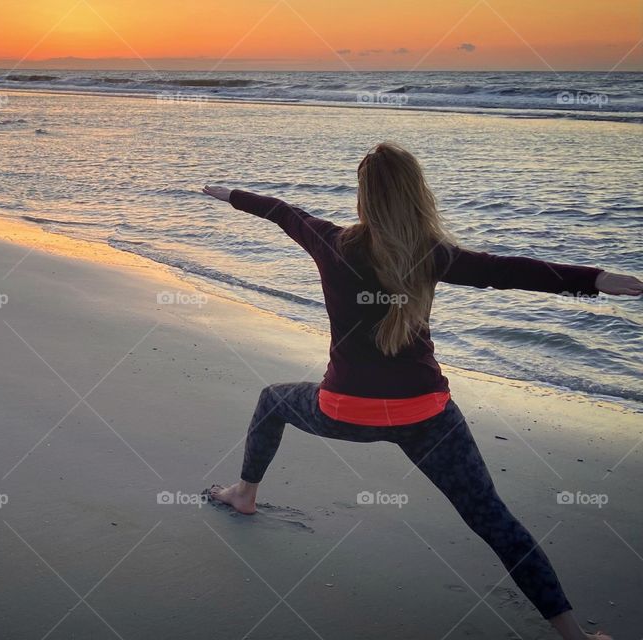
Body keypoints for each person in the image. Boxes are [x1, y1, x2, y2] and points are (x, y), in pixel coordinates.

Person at [201, 142, 641, 640]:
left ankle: (244, 495)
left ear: (363, 197)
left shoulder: (331, 242)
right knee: (493, 519)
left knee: (272, 400)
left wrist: (229, 193)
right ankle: (573, 636)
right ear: (417, 194)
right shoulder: (432, 255)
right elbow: (508, 271)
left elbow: (282, 211)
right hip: (426, 418)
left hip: (344, 411)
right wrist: (595, 278)